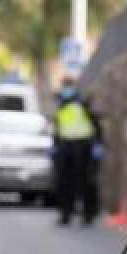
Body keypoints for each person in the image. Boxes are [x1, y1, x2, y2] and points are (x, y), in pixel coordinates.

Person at [52, 77, 101, 225]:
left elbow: (95, 125)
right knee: (63, 181)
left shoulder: (82, 104)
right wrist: (55, 145)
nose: (66, 89)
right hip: (65, 145)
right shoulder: (61, 105)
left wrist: (98, 145)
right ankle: (65, 213)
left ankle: (88, 213)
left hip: (83, 145)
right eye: (64, 86)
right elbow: (58, 127)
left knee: (85, 180)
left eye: (68, 86)